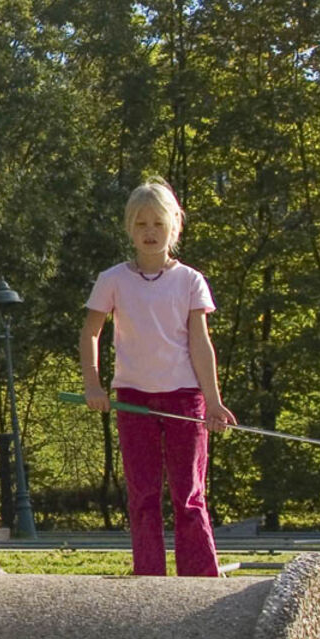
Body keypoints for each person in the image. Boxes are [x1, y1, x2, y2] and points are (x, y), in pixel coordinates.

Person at [78, 179, 235, 577]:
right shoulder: (112, 279)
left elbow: (200, 344)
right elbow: (90, 333)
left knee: (189, 495)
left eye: (158, 224)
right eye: (141, 224)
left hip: (185, 398)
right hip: (134, 399)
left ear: (174, 228)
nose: (150, 233)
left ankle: (200, 578)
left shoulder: (190, 281)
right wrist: (93, 385)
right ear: (130, 228)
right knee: (143, 494)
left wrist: (213, 401)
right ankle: (149, 576)